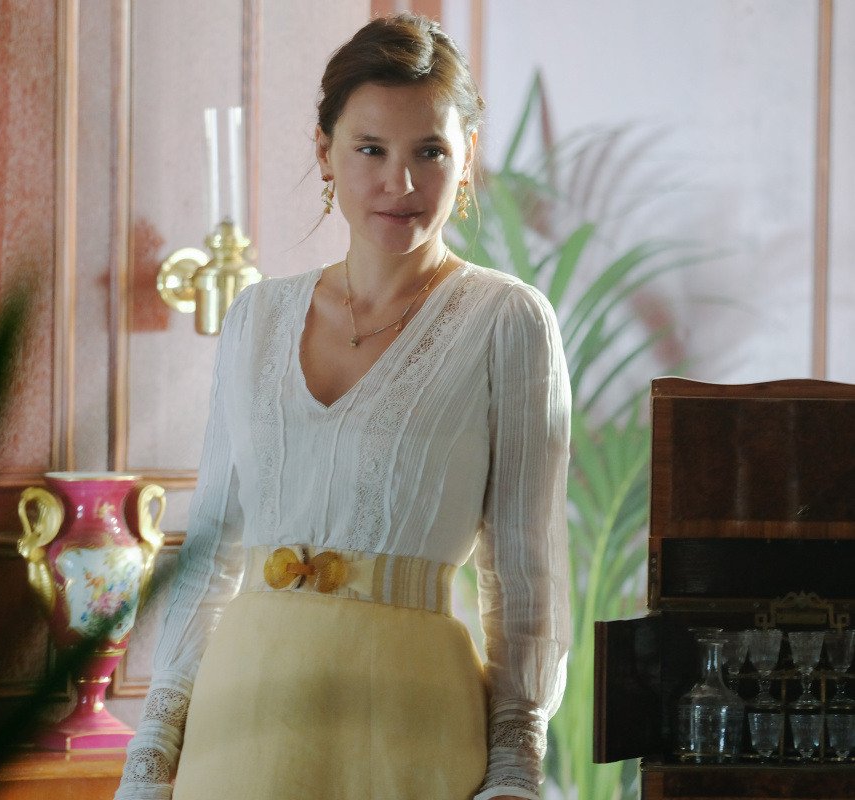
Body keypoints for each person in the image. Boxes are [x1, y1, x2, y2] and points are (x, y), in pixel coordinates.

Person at [115, 13, 570, 800]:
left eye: (429, 151)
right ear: (323, 152)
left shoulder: (507, 320)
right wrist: (153, 750)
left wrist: (514, 766)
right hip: (239, 725)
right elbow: (211, 551)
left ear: (465, 159)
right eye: (370, 150)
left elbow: (524, 574)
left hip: (411, 729)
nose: (400, 183)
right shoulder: (257, 317)